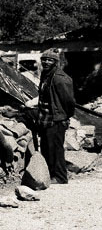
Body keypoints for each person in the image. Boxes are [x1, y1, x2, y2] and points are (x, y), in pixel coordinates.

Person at [35, 48, 76, 184]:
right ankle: (49, 174)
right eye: (44, 59)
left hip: (56, 118)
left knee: (56, 148)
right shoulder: (45, 74)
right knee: (47, 146)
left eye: (50, 60)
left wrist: (65, 116)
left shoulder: (60, 79)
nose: (46, 62)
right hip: (45, 116)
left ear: (55, 62)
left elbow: (69, 101)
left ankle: (60, 177)